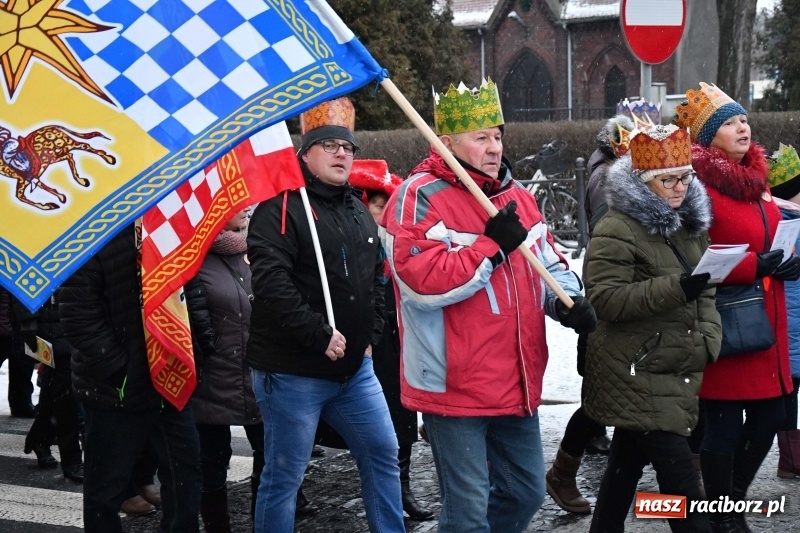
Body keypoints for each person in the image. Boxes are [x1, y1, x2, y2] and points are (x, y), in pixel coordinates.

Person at [380, 79, 597, 533]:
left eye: (497, 136)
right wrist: (490, 247)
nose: (495, 147)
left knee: (525, 492)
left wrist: (568, 301)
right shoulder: (416, 197)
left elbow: (549, 264)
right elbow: (420, 281)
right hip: (452, 383)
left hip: (515, 378)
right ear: (447, 142)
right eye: (481, 137)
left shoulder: (518, 197)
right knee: (467, 510)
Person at [246, 96, 405, 533]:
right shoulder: (279, 208)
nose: (341, 154)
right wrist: (318, 333)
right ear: (305, 153)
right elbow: (272, 284)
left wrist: (371, 333)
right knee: (285, 477)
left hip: (354, 372)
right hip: (292, 373)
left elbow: (375, 276)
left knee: (382, 452)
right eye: (330, 145)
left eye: (347, 147)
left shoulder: (356, 208)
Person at [674, 82, 800, 532]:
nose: (743, 128)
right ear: (709, 138)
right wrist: (753, 265)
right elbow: (692, 260)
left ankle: (729, 502)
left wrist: (786, 261)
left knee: (770, 418)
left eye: (743, 119)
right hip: (725, 321)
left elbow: (770, 238)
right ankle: (724, 515)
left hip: (767, 321)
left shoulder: (756, 181)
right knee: (724, 426)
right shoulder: (699, 188)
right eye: (729, 123)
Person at [582, 124, 719, 532]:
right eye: (668, 180)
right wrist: (676, 289)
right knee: (684, 492)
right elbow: (604, 299)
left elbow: (706, 287)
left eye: (685, 177)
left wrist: (709, 338)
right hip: (636, 371)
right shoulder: (616, 227)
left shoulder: (688, 223)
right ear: (644, 181)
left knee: (622, 472)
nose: (680, 188)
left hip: (671, 368)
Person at [59, 225, 203, 533]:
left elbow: (190, 291)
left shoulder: (167, 227)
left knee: (185, 475)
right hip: (115, 390)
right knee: (105, 488)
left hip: (171, 382)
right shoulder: (89, 236)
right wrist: (120, 370)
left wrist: (201, 346)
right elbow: (78, 316)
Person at [546, 112, 634, 514]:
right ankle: (564, 473)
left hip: (630, 301)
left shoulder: (620, 173)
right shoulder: (607, 178)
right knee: (602, 397)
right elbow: (609, 241)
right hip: (613, 297)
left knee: (631, 407)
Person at [349, 159, 433, 521]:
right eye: (378, 205)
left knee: (402, 415)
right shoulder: (354, 241)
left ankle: (401, 487)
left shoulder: (399, 241)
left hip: (400, 339)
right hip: (369, 341)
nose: (385, 213)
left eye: (388, 205)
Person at [185, 207, 264, 531]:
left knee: (270, 457)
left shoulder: (259, 248)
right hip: (211, 380)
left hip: (260, 375)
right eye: (235, 201)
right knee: (211, 461)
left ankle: (264, 522)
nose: (245, 207)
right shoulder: (191, 256)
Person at [13, 293, 83, 482]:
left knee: (58, 387)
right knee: (66, 393)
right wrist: (27, 318)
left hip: (73, 315)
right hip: (52, 321)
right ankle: (72, 459)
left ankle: (41, 437)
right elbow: (22, 281)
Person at [767, 143, 800, 479]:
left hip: (788, 325)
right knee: (789, 392)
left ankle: (791, 459)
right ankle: (791, 459)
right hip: (790, 326)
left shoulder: (774, 219)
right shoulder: (789, 223)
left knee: (789, 392)